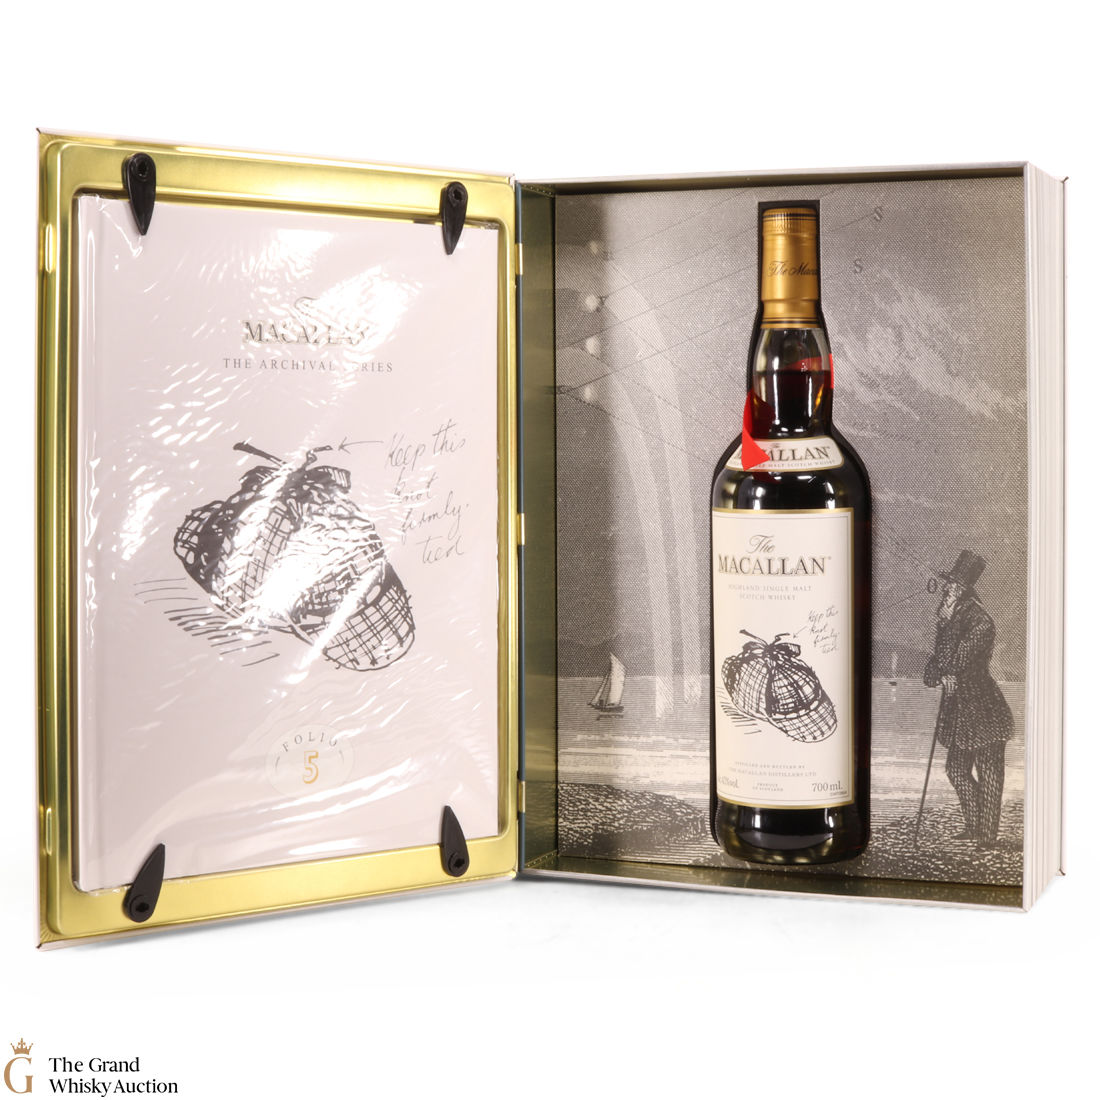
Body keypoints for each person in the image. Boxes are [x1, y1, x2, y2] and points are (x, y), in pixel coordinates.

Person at [923, 551, 1014, 848]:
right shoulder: (949, 620)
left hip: (984, 709)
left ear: (962, 590)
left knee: (989, 776)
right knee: (956, 770)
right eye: (948, 585)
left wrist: (946, 667)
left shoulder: (981, 622)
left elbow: (956, 660)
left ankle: (987, 837)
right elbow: (931, 672)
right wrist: (942, 673)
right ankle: (974, 826)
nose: (946, 590)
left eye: (951, 586)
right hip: (960, 712)